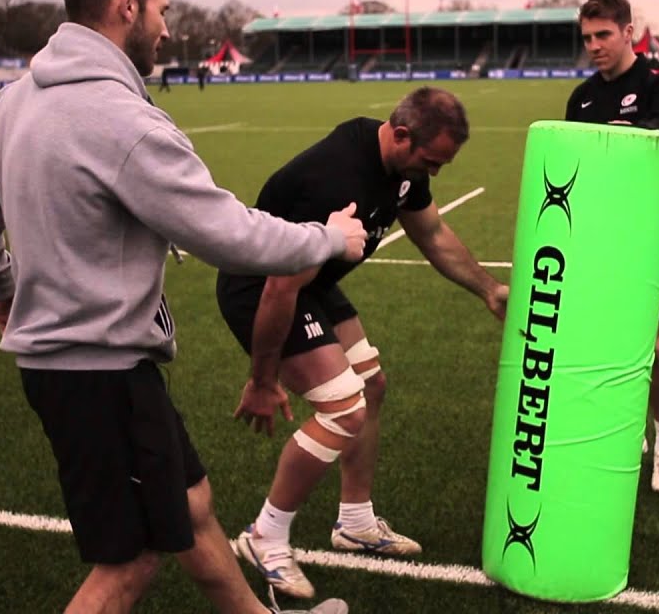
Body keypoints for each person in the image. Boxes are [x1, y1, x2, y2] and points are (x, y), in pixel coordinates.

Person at [0, 0, 362, 614]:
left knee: (192, 506)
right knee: (131, 561)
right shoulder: (127, 122)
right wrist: (328, 238)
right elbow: (226, 232)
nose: (168, 27)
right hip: (98, 373)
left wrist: (4, 284)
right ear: (127, 4)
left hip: (86, 369)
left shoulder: (10, 103)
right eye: (162, 9)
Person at [215, 87, 509, 599]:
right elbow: (280, 288)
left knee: (371, 387)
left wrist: (488, 289)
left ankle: (354, 522)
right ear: (400, 135)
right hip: (262, 288)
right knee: (342, 410)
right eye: (430, 160)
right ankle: (265, 534)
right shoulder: (337, 181)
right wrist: (262, 380)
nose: (434, 173)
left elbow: (433, 232)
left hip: (312, 283)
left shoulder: (401, 167)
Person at [564, 0, 659, 494]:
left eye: (603, 35)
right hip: (602, 238)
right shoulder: (581, 98)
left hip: (656, 234)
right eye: (587, 38)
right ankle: (628, 433)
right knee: (610, 342)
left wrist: (632, 133)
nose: (595, 46)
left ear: (627, 32)